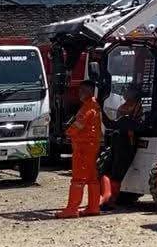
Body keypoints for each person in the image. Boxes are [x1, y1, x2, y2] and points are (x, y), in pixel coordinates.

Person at [57, 80, 108, 218]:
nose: (79, 93)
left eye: (82, 90)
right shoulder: (94, 106)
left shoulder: (88, 108)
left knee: (78, 178)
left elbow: (79, 125)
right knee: (92, 178)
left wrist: (67, 133)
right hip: (91, 146)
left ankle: (72, 209)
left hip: (83, 147)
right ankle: (93, 207)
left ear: (89, 91)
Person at [103, 84, 144, 203]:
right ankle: (110, 195)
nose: (125, 93)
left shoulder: (138, 107)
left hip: (128, 140)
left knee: (117, 170)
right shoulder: (124, 107)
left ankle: (112, 197)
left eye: (128, 91)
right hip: (120, 138)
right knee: (112, 168)